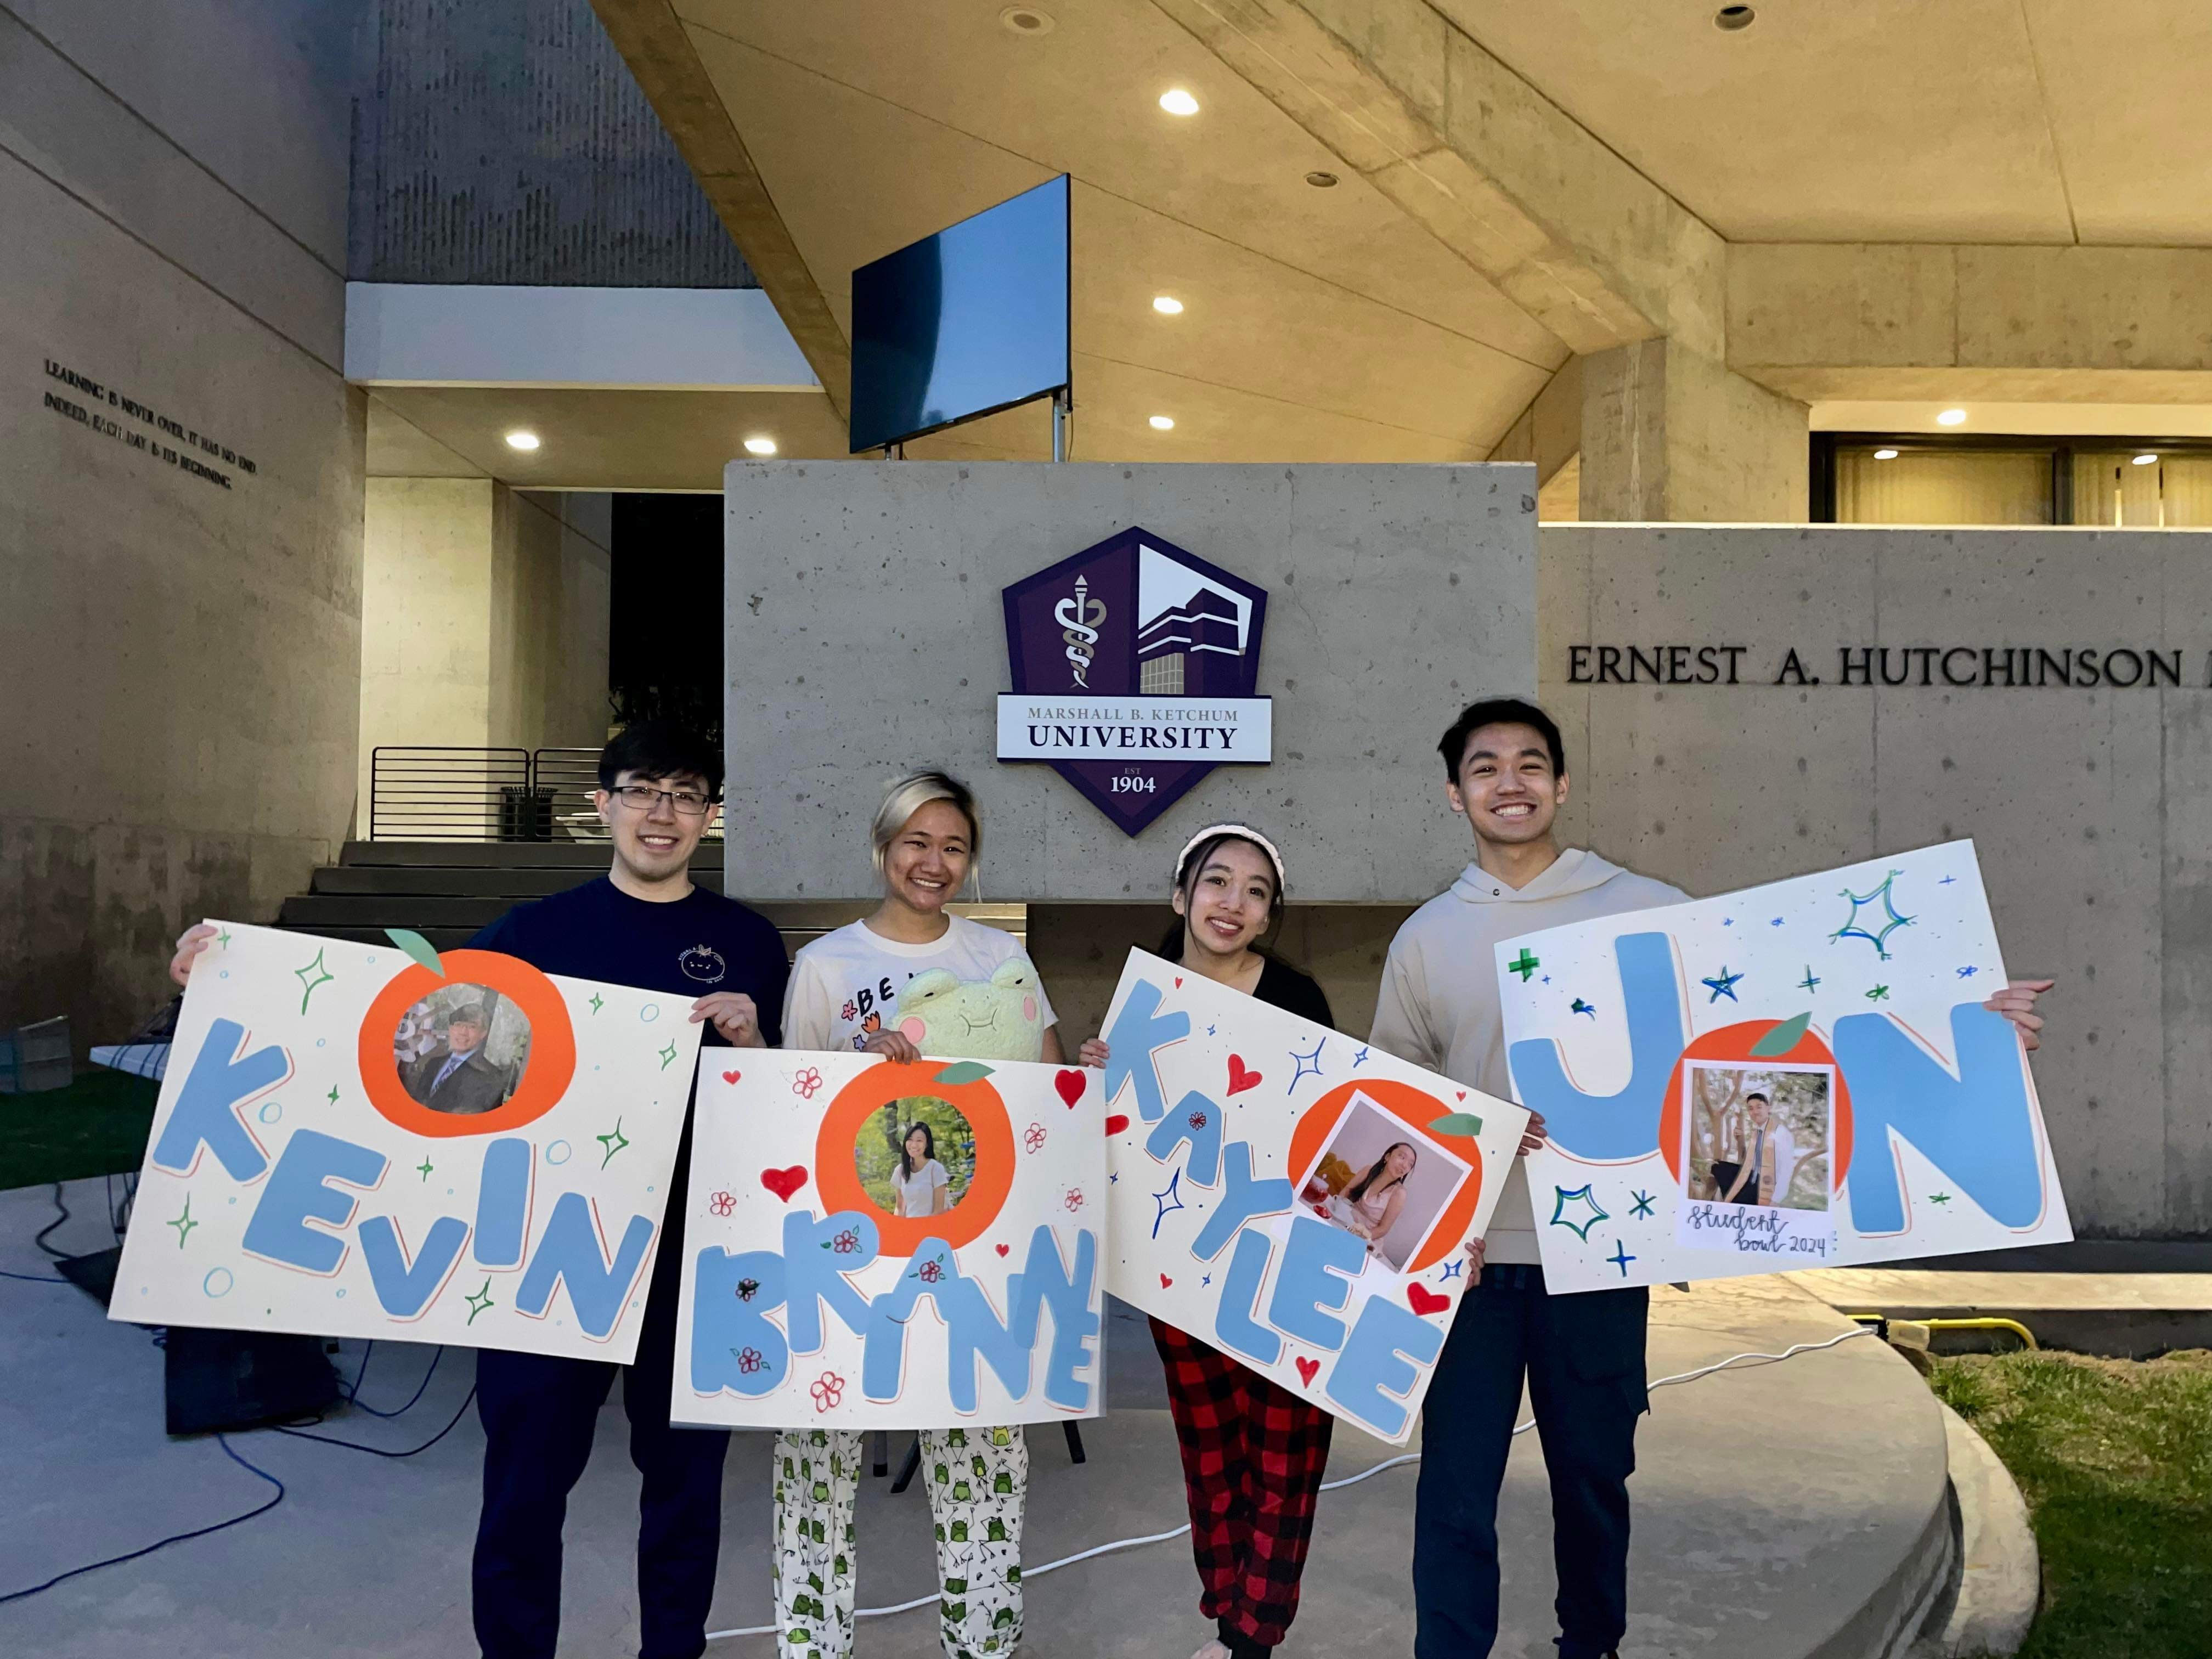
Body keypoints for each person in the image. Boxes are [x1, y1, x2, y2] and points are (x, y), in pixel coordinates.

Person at [1368, 696, 2055, 1659]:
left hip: (1599, 1259)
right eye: (1485, 767)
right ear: (1454, 793)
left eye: (1530, 763)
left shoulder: (1646, 907)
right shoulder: (1426, 938)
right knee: (1452, 1488)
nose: (1509, 781)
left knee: (1594, 1479)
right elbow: (1400, 1100)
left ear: (1560, 785)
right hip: (1472, 1266)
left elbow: (1800, 1010)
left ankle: (1591, 1644)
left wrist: (1966, 1019)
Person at [171, 719, 789, 1659]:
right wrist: (233, 974)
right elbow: (395, 1017)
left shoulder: (746, 940)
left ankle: (674, 1647)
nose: (662, 811)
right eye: (642, 788)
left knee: (685, 1482)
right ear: (603, 804)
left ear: (710, 813)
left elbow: (792, 1107)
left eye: (685, 793)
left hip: (690, 1255)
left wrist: (754, 1043)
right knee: (524, 1486)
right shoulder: (533, 932)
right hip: (542, 1246)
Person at [775, 769, 1092, 1659]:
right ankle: (812, 1641)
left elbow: (1044, 1096)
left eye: (953, 845)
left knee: (984, 1463)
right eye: (916, 841)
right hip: (844, 1254)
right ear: (883, 847)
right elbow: (791, 1113)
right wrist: (853, 1064)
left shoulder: (1000, 961)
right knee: (815, 1459)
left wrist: (1084, 1076)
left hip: (973, 1249)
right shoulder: (826, 964)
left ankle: (983, 1641)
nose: (933, 861)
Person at [1093, 823, 1341, 1659]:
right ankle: (1228, 1611)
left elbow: (1329, 1131)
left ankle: (1252, 1637)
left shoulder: (1298, 999)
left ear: (1270, 915)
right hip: (1181, 1269)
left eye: (1256, 891)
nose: (1233, 902)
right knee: (1210, 1453)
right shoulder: (1146, 1005)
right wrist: (1100, 1080)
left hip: (1282, 1260)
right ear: (1181, 895)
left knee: (1286, 1456)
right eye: (1217, 882)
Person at [402, 1001, 513, 1115]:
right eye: (459, 1025)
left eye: (472, 1027)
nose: (463, 1032)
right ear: (450, 1029)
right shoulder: (433, 1064)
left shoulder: (491, 1077)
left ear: (483, 1034)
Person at [1719, 1092, 1804, 1209]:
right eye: (1751, 1109)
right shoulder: (1757, 1133)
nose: (1755, 1112)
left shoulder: (1781, 1133)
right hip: (1753, 1180)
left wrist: (1775, 1200)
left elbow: (1786, 1169)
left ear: (1768, 1108)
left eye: (1759, 1107)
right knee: (1718, 1166)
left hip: (1767, 1186)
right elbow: (1749, 1163)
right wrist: (1740, 1140)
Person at [1333, 1141, 1417, 1254]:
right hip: (1344, 1221)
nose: (1405, 1165)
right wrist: (1337, 1209)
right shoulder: (1368, 1171)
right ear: (1388, 1157)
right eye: (1402, 1157)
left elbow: (1383, 1229)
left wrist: (1363, 1234)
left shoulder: (1399, 1193)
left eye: (1410, 1164)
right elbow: (1347, 1191)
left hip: (1367, 1238)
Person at [893, 1120, 952, 1216]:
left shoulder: (936, 1168)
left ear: (927, 1144)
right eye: (910, 1139)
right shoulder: (900, 1170)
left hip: (932, 1227)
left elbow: (939, 1211)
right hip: (909, 1227)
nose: (914, 1145)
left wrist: (923, 1229)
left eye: (919, 1140)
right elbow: (899, 1208)